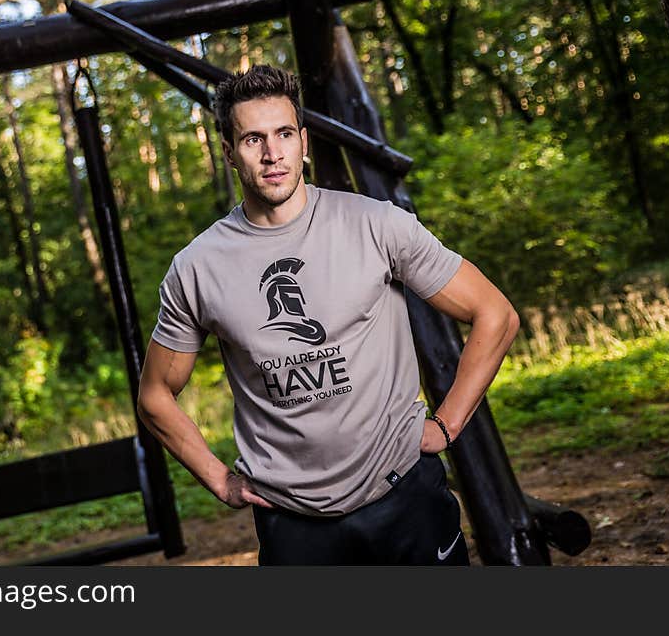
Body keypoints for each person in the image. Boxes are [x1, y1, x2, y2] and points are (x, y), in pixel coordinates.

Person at [137, 64, 520, 565]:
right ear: (229, 153)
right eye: (253, 139)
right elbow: (154, 395)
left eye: (284, 134)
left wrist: (447, 425)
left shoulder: (376, 224)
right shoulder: (196, 268)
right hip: (293, 524)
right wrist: (218, 478)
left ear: (304, 142)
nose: (272, 153)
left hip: (404, 498)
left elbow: (494, 313)